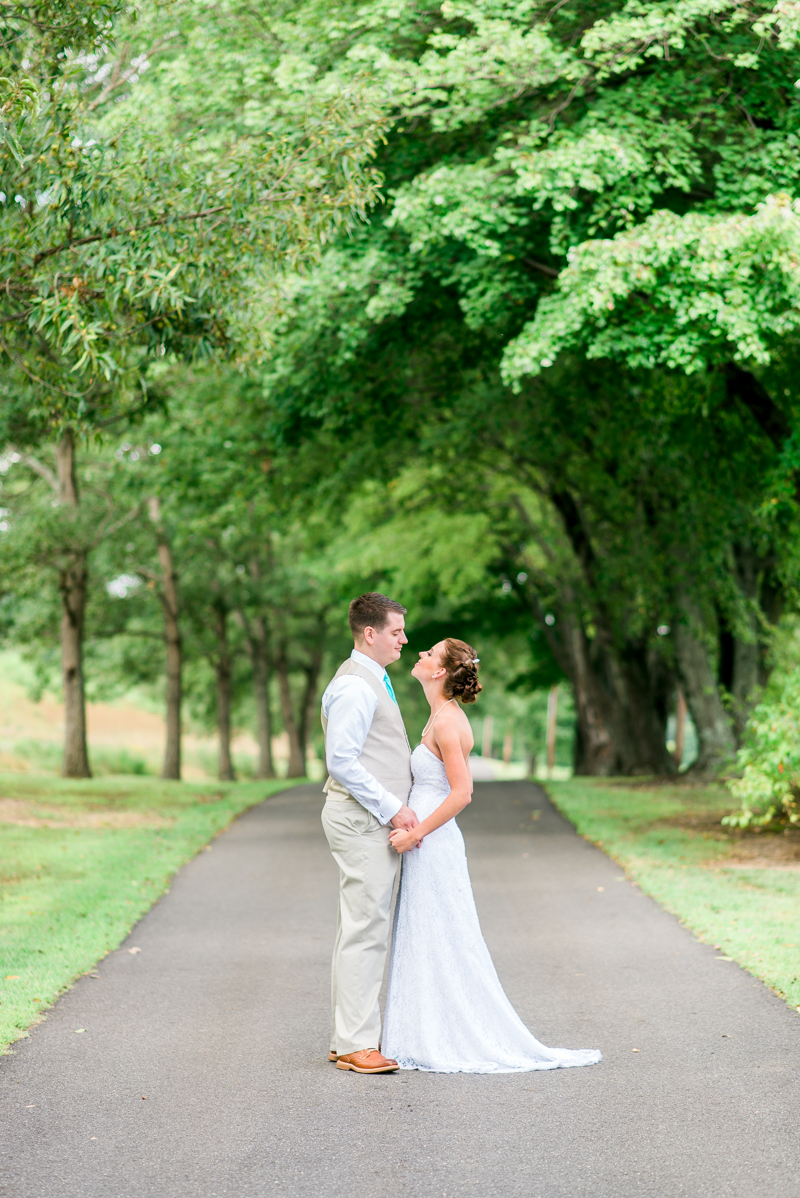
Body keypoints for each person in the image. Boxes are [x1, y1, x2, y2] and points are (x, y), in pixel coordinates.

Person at [382, 638, 602, 1073]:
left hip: (434, 841)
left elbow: (462, 793)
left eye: (429, 653)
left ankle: (442, 1035)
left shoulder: (448, 724)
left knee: (440, 932)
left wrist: (416, 833)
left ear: (441, 671)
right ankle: (422, 1029)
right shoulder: (439, 716)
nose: (420, 655)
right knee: (425, 933)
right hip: (428, 838)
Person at [320, 592, 420, 1074]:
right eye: (397, 631)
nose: (404, 639)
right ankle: (358, 1044)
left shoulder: (370, 680)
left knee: (357, 928)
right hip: (362, 819)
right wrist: (394, 807)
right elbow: (341, 760)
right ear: (370, 633)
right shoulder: (357, 687)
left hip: (364, 817)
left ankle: (347, 1039)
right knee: (366, 931)